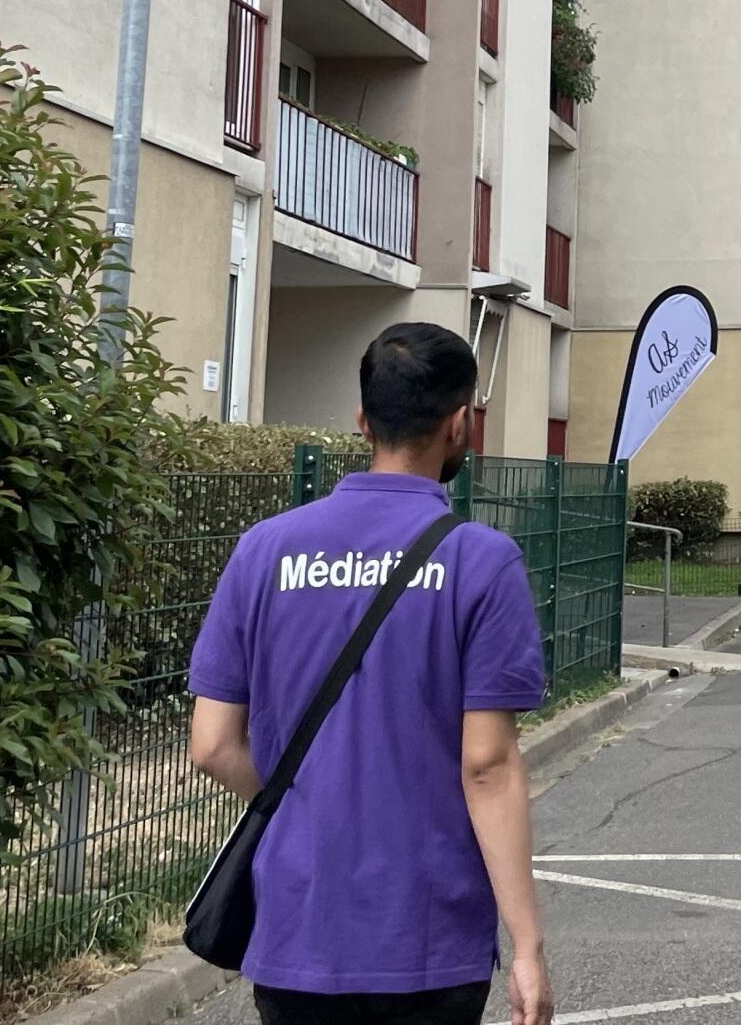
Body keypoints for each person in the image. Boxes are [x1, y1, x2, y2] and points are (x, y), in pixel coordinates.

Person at [188, 323, 556, 1025]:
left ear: (363, 421)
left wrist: (305, 805)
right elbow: (488, 767)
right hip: (427, 931)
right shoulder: (482, 562)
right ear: (459, 424)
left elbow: (211, 743)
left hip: (297, 917)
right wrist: (529, 944)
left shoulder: (264, 551)